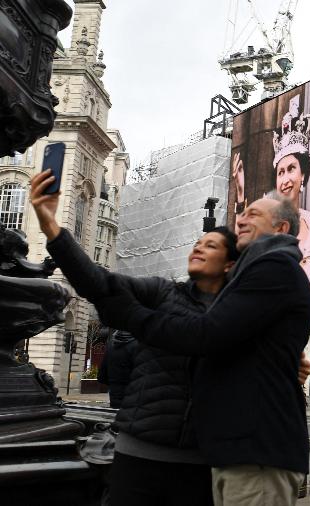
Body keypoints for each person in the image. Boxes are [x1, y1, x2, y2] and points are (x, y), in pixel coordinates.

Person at [30, 169, 241, 506]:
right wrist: (51, 227)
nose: (197, 249)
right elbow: (99, 283)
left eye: (210, 245)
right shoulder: (162, 292)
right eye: (197, 244)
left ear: (230, 264)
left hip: (201, 463)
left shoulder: (238, 314)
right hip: (138, 452)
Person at [95, 196, 310, 506]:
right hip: (239, 452)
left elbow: (207, 334)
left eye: (253, 214)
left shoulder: (274, 266)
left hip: (256, 453)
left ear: (281, 227)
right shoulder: (253, 272)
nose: (241, 219)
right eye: (242, 212)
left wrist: (133, 316)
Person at [269, 94, 310, 304]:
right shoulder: (266, 229)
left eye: (291, 169)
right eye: (281, 172)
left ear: (303, 175)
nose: (286, 179)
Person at [97, 329, 136, 409]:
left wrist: (114, 383)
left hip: (115, 396)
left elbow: (101, 376)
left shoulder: (111, 346)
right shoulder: (137, 346)